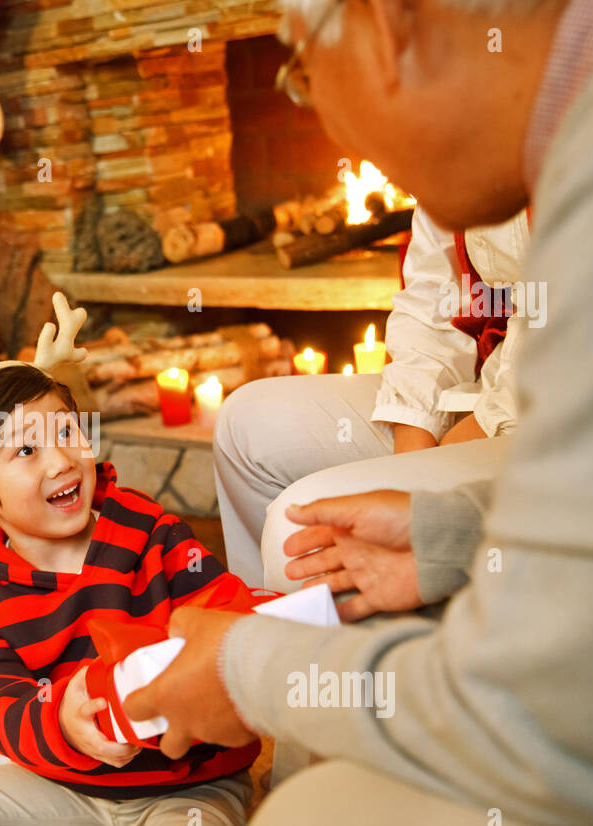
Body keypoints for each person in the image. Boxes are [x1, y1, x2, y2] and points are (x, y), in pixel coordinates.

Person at [125, 0, 593, 826]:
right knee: (258, 428)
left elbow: (559, 724)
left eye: (303, 73)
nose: (328, 121)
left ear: (384, 25)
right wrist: (453, 529)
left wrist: (253, 672)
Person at [0, 338, 261, 826]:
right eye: (26, 450)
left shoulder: (150, 530)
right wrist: (56, 721)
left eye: (67, 431)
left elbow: (226, 610)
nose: (63, 460)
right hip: (67, 782)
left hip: (188, 787)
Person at [215, 204, 530, 593]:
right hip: (488, 378)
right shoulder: (452, 155)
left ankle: (366, 647)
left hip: (558, 416)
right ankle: (255, 620)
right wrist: (413, 462)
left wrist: (428, 496)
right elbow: (431, 299)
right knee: (246, 421)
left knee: (297, 535)